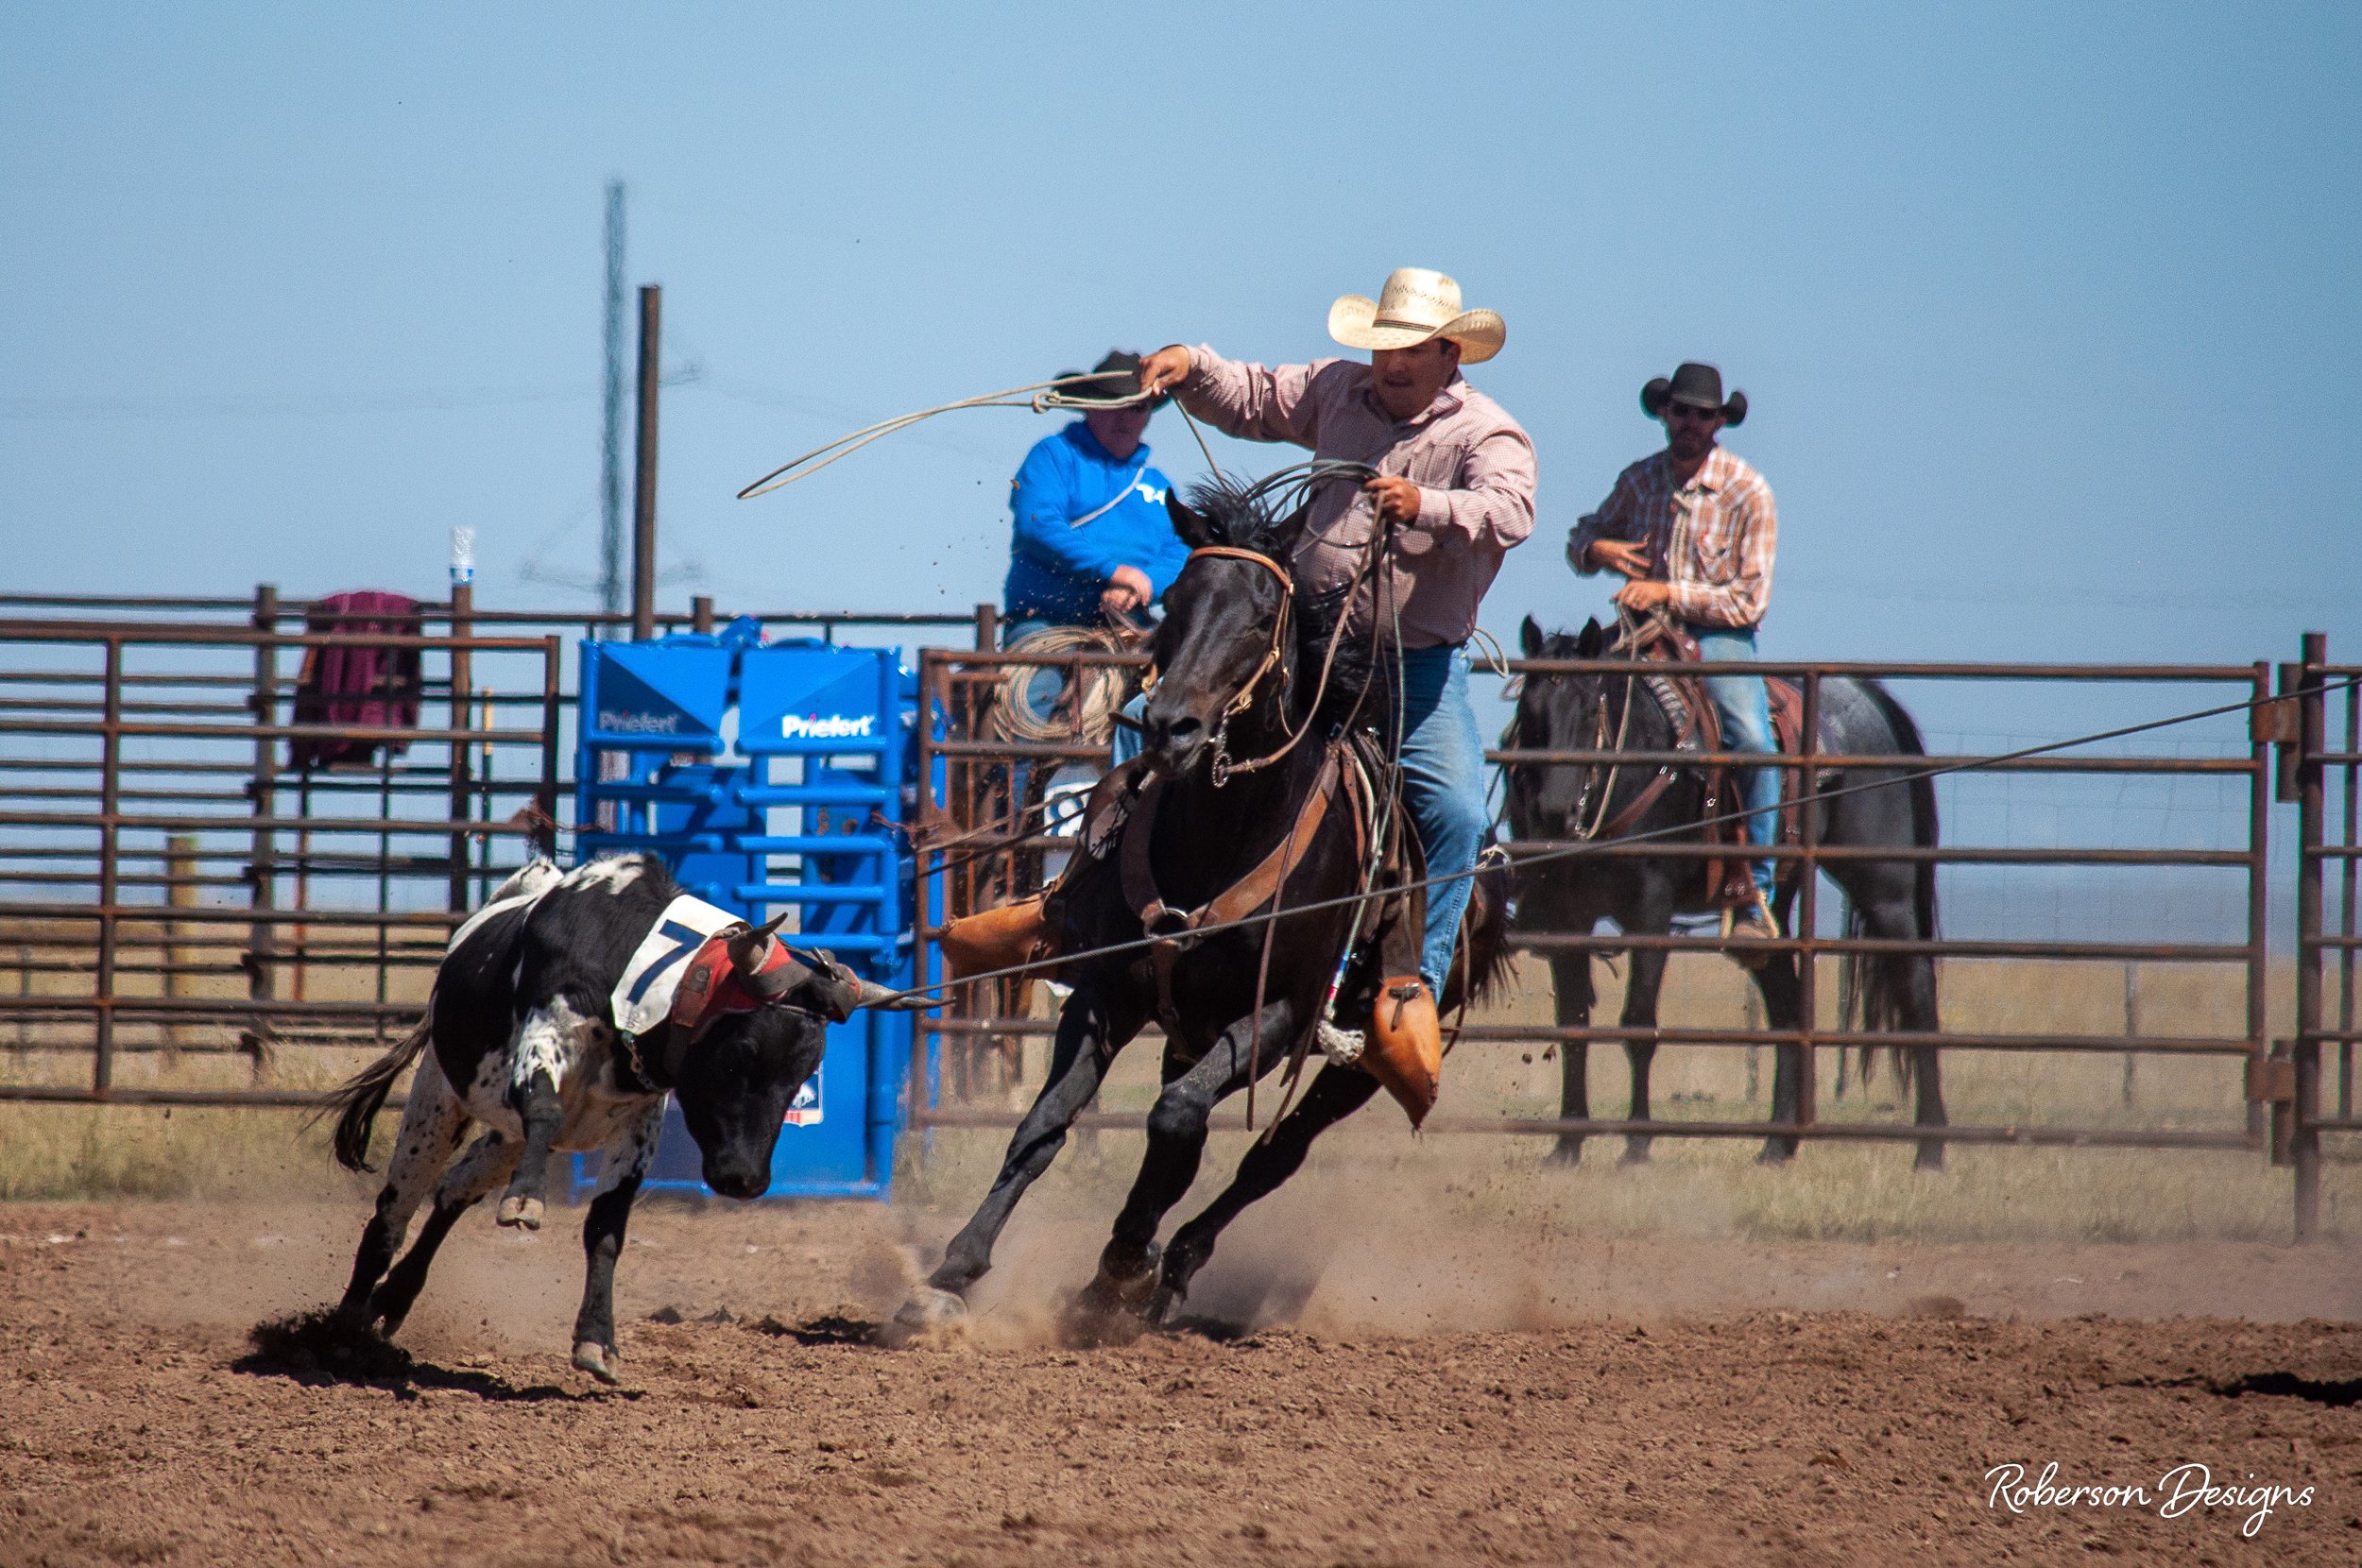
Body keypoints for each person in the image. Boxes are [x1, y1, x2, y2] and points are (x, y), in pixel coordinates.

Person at [1137, 267, 1536, 997]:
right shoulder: (1336, 390)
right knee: (1176, 732)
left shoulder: (1488, 432)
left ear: (1451, 354)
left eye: (1414, 348)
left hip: (1413, 669)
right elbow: (1254, 395)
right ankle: (1100, 914)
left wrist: (1428, 504)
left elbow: (1510, 511)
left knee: (1453, 814)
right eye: (1387, 346)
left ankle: (1414, 989)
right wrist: (1191, 366)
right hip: (1306, 652)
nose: (1395, 363)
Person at [1566, 361, 1781, 945]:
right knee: (1564, 703)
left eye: (1702, 414)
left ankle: (1754, 890)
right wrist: (1597, 549)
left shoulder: (1747, 491)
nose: (1689, 422)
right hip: (1640, 634)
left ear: (1719, 422)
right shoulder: (1639, 481)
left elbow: (1749, 600)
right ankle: (1554, 870)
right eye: (1680, 410)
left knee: (1752, 740)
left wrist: (1668, 591)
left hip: (1718, 637)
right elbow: (1580, 536)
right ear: (1664, 414)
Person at [1001, 350, 1189, 644]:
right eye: (1115, 406)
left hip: (1132, 627)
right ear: (1090, 406)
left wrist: (1144, 585)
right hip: (1047, 623)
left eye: (1137, 408)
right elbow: (1038, 524)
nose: (1125, 418)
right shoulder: (1054, 456)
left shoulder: (1160, 486)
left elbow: (1182, 552)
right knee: (1041, 690)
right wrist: (1113, 572)